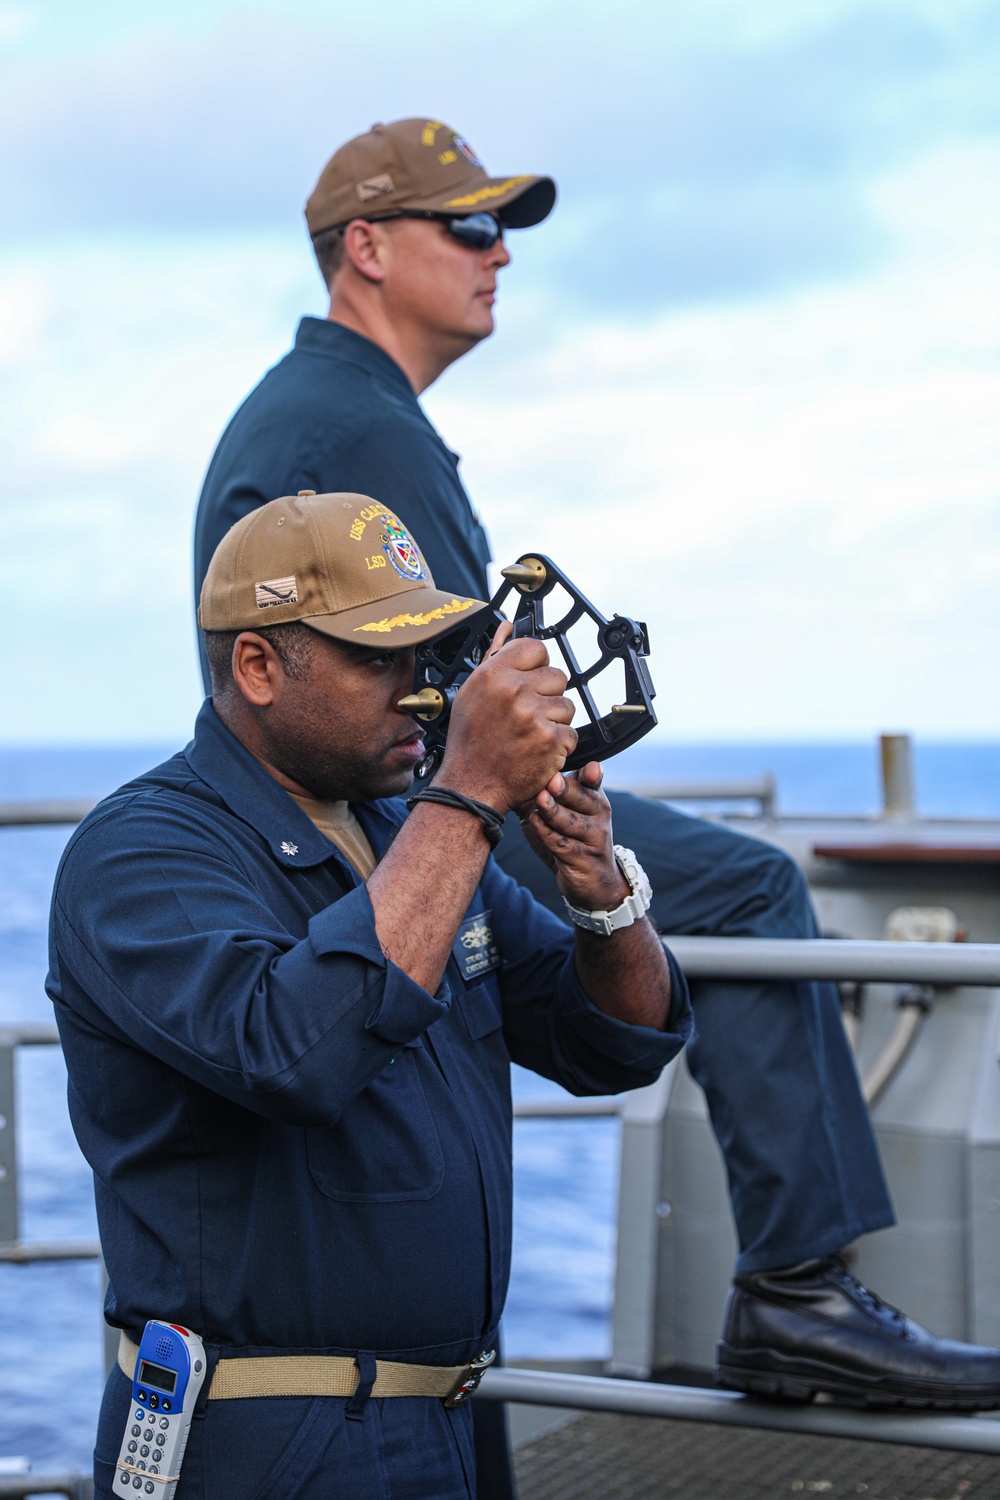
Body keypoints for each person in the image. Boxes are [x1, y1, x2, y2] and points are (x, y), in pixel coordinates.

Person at [192, 117, 1000, 1425]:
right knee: (742, 887)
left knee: (661, 918)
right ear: (366, 249)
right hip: (395, 803)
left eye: (500, 228)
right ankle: (800, 1295)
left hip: (365, 799)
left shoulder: (338, 411)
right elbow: (453, 689)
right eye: (469, 226)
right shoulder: (353, 419)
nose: (497, 252)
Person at [48, 491, 690, 1500]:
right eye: (376, 659)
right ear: (257, 665)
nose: (423, 693)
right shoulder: (140, 850)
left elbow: (611, 1043)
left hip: (446, 1415)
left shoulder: (406, 832)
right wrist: (472, 793)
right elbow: (293, 1051)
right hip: (264, 1437)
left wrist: (601, 891)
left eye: (428, 658)